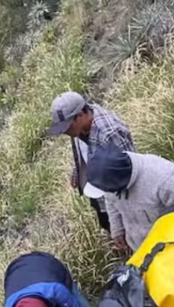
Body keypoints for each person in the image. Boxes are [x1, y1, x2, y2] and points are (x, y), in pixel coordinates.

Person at [46, 91, 135, 232]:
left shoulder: (110, 134)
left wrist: (121, 224)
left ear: (80, 115)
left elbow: (129, 174)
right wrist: (78, 170)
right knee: (106, 223)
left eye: (67, 127)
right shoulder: (79, 126)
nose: (64, 132)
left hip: (117, 198)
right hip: (97, 191)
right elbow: (82, 147)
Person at [82, 146, 174, 252]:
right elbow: (110, 200)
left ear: (118, 183)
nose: (106, 191)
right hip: (140, 250)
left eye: (106, 189)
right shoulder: (108, 181)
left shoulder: (165, 179)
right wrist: (117, 230)